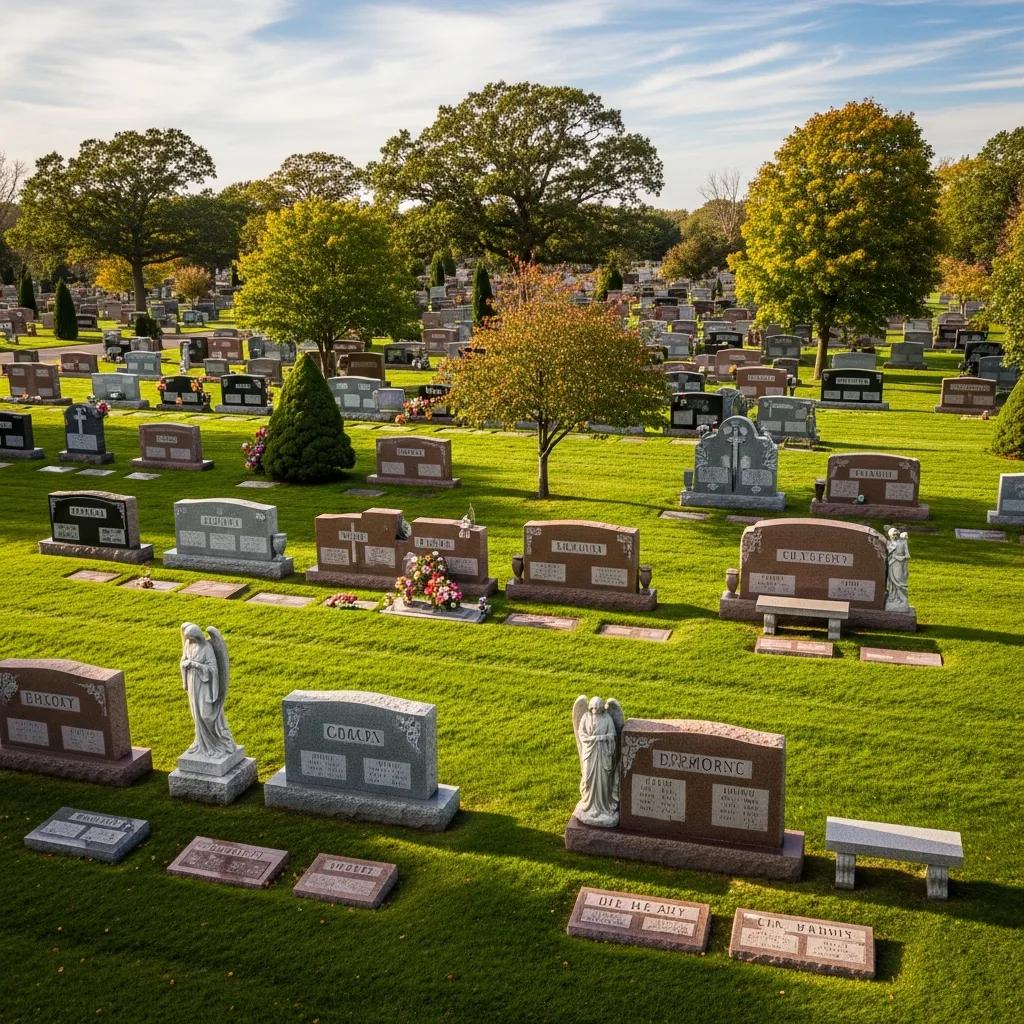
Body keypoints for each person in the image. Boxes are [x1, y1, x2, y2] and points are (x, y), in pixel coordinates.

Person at [180, 623, 236, 759]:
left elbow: (213, 669)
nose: (189, 641)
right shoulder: (188, 643)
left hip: (205, 685)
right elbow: (183, 659)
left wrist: (194, 664)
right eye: (188, 639)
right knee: (197, 715)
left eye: (191, 638)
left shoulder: (207, 648)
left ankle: (220, 743)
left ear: (196, 636)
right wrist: (184, 665)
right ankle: (201, 743)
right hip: (193, 683)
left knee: (206, 714)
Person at [572, 696, 624, 827]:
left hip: (603, 754)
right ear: (590, 707)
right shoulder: (585, 717)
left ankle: (603, 807)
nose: (595, 710)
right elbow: (581, 734)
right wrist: (595, 739)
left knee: (603, 780)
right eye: (593, 707)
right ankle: (589, 804)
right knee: (588, 778)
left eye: (598, 708)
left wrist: (600, 738)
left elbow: (613, 735)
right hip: (590, 753)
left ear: (602, 708)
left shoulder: (607, 719)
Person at [885, 527, 911, 610]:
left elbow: (907, 555)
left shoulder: (903, 543)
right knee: (892, 583)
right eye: (893, 534)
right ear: (890, 536)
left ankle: (903, 600)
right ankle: (893, 598)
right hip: (891, 564)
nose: (895, 535)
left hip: (899, 565)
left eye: (896, 533)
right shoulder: (888, 544)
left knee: (900, 582)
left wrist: (898, 557)